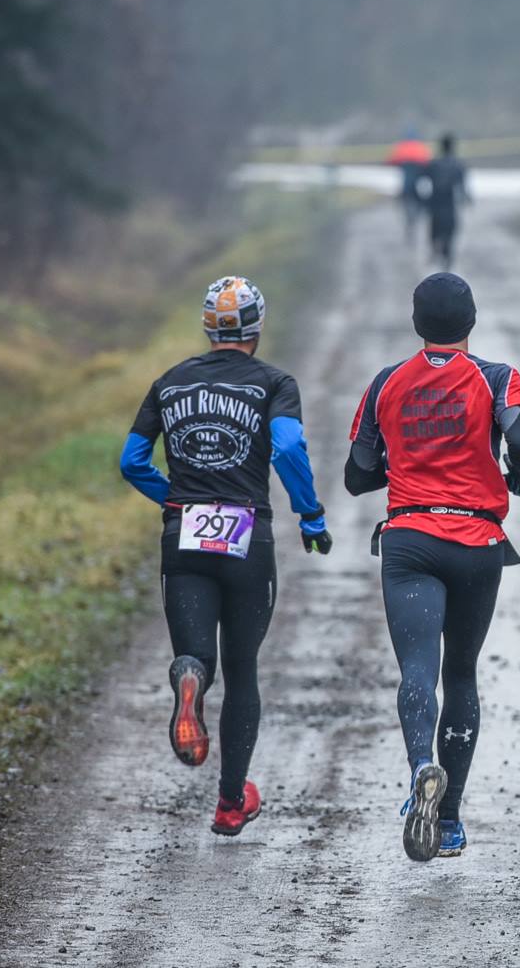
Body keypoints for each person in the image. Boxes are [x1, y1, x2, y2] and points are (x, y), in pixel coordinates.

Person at [119, 275, 333, 837]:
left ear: (208, 326)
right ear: (257, 329)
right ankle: (230, 802)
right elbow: (286, 446)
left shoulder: (168, 383)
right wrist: (309, 514)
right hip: (246, 537)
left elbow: (132, 460)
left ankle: (189, 677)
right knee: (243, 672)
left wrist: (176, 499)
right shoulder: (275, 384)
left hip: (183, 533)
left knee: (197, 654)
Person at [343, 272, 520, 862]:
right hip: (477, 540)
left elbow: (357, 474)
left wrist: (405, 462)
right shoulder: (497, 377)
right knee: (460, 674)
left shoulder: (386, 383)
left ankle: (420, 769)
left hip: (410, 540)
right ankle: (450, 820)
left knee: (416, 669)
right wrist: (517, 479)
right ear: (471, 322)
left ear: (416, 323)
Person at [419, 134, 470, 269]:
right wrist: (467, 198)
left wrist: (423, 200)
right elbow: (463, 186)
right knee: (450, 230)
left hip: (434, 202)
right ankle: (447, 256)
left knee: (435, 230)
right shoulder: (458, 165)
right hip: (449, 203)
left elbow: (423, 180)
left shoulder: (434, 163)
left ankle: (436, 250)